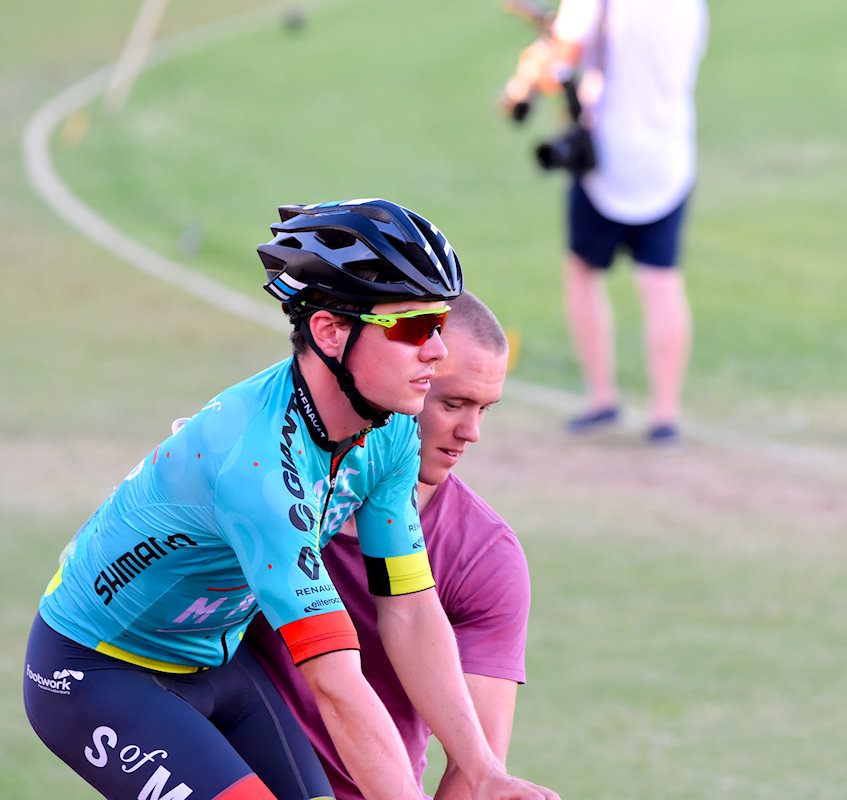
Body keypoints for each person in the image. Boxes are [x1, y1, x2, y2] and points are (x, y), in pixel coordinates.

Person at [23, 199, 557, 800]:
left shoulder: (392, 429)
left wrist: (482, 769)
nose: (437, 351)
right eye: (411, 327)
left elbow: (408, 606)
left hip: (217, 660)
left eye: (438, 325)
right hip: (100, 672)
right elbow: (336, 684)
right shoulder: (257, 470)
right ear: (329, 331)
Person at [245, 289, 529, 800]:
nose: (471, 432)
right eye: (453, 402)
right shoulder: (273, 488)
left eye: (485, 409)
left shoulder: (484, 555)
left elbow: (477, 766)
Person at [527, 0, 708, 443]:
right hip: (669, 155)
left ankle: (602, 398)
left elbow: (559, 67)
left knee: (583, 270)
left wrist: (533, 68)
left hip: (609, 160)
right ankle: (665, 415)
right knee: (661, 281)